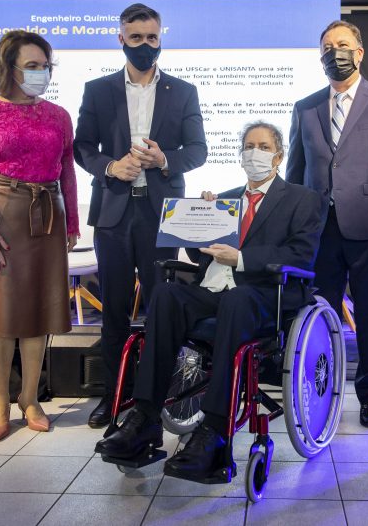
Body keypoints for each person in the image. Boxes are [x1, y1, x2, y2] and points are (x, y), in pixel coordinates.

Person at [95, 121, 323, 483]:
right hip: (215, 291)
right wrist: (197, 223)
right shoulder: (224, 200)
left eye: (264, 147)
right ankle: (145, 418)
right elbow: (199, 256)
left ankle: (214, 431)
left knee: (237, 300)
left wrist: (242, 259)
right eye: (249, 146)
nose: (255, 153)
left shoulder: (302, 199)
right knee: (165, 294)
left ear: (279, 157)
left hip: (266, 295)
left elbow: (302, 254)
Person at [74, 3, 207, 428]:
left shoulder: (183, 91)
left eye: (152, 37)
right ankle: (113, 397)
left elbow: (198, 150)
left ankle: (158, 396)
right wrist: (111, 167)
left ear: (160, 38)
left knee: (161, 308)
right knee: (113, 311)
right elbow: (82, 147)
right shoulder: (98, 90)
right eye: (136, 38)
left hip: (161, 214)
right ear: (121, 40)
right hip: (113, 214)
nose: (145, 45)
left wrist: (165, 159)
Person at [0, 30, 79, 441]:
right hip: (0, 215)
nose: (42, 73)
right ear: (9, 68)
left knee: (39, 313)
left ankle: (30, 398)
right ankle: (1, 400)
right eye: (32, 66)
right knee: (2, 317)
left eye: (46, 66)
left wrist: (72, 223)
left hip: (48, 216)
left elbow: (67, 170)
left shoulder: (59, 115)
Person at [286, 20, 368, 428]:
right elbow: (295, 173)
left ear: (359, 53)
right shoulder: (305, 107)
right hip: (319, 232)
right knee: (318, 317)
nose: (334, 52)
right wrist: (290, 226)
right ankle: (320, 393)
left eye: (342, 45)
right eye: (327, 46)